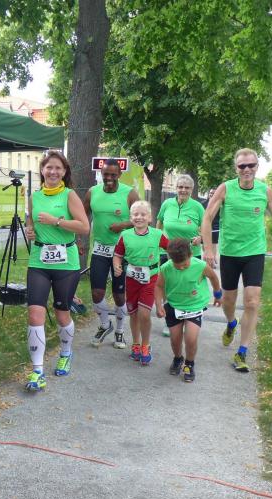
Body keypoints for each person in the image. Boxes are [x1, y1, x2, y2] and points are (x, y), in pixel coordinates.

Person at [201, 148, 272, 372]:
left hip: (254, 253)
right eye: (242, 166)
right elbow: (207, 218)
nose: (247, 169)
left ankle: (242, 351)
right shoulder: (226, 188)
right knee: (229, 301)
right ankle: (231, 323)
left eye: (251, 165)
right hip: (230, 253)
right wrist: (208, 249)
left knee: (252, 302)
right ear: (236, 168)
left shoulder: (264, 191)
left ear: (257, 167)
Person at [23, 150, 90, 391]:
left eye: (58, 168)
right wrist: (30, 230)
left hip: (65, 263)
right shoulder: (34, 196)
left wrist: (56, 221)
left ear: (64, 172)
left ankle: (66, 352)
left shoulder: (69, 195)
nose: (53, 172)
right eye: (49, 167)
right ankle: (37, 371)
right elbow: (31, 222)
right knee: (35, 314)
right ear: (42, 170)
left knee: (62, 314)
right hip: (39, 261)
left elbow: (84, 227)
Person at [81, 158, 139, 349]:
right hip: (99, 249)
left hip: (122, 252)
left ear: (119, 174)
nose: (109, 178)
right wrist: (80, 239)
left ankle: (120, 331)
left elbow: (142, 218)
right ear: (101, 173)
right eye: (106, 174)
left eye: (113, 175)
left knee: (119, 294)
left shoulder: (129, 193)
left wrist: (123, 224)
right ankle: (105, 325)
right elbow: (83, 215)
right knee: (96, 292)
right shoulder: (93, 192)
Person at [154, 238, 223, 382]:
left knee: (191, 339)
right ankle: (178, 358)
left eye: (184, 264)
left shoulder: (200, 266)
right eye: (177, 265)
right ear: (170, 259)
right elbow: (159, 286)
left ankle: (189, 363)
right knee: (175, 340)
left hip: (194, 306)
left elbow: (213, 278)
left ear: (190, 255)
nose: (181, 268)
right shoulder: (166, 268)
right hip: (174, 306)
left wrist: (218, 295)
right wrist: (159, 305)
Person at [112, 201, 169, 365]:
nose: (139, 217)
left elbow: (171, 249)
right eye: (135, 214)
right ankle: (136, 344)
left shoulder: (157, 234)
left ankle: (146, 345)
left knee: (144, 314)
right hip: (131, 279)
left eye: (143, 214)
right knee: (134, 313)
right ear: (131, 218)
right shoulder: (125, 235)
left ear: (150, 217)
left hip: (151, 279)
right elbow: (117, 255)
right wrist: (117, 266)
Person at [156, 174, 206, 337]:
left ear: (192, 190)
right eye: (180, 187)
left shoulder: (197, 207)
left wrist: (201, 238)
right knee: (167, 286)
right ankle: (170, 319)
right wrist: (156, 240)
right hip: (166, 252)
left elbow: (205, 228)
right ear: (175, 188)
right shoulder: (167, 204)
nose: (183, 190)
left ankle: (189, 317)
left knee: (188, 286)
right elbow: (159, 223)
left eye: (187, 187)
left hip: (190, 254)